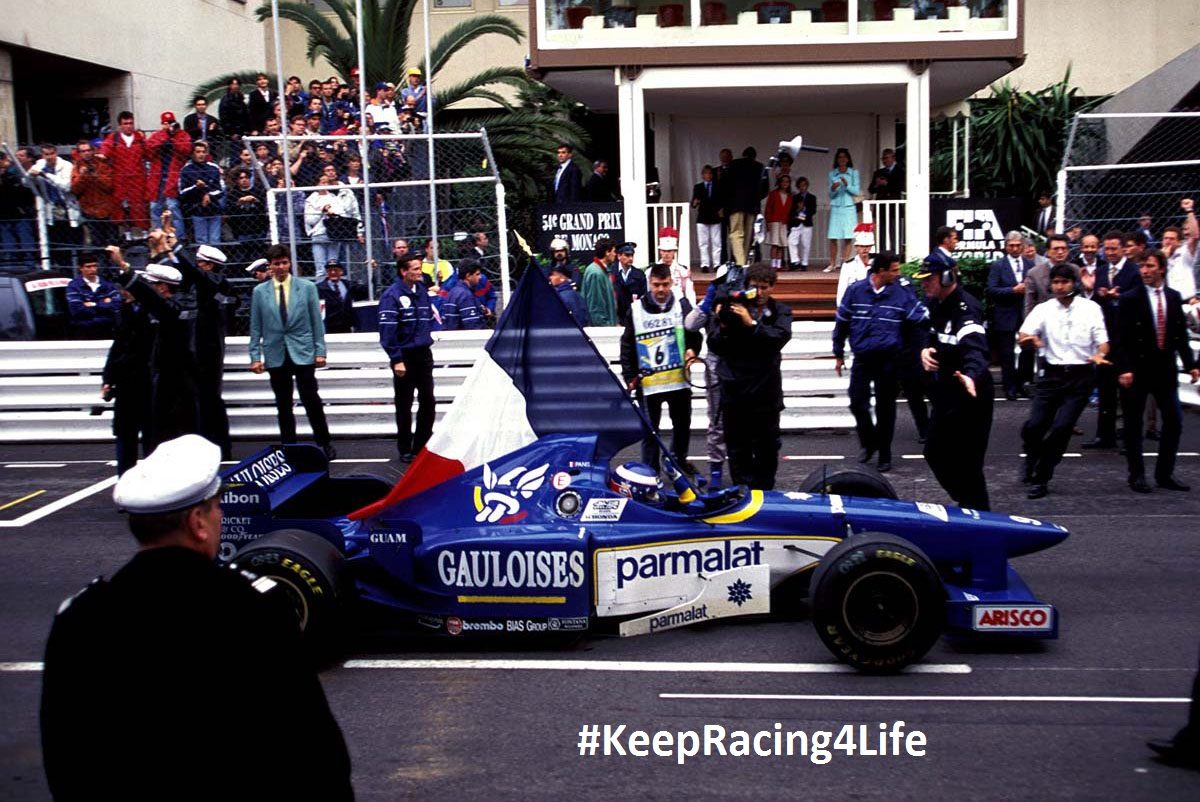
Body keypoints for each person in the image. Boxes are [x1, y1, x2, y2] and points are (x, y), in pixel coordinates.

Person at [40, 434, 353, 801]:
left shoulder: (81, 617)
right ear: (197, 522)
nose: (221, 517)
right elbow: (311, 749)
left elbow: (64, 757)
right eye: (216, 508)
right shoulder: (253, 609)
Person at [1017, 263, 1111, 499]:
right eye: (1056, 282)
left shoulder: (1091, 309)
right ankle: (1031, 455)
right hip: (1051, 375)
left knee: (1061, 429)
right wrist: (1031, 340)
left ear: (1074, 284)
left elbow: (1103, 341)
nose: (1059, 287)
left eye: (1064, 282)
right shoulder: (1043, 309)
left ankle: (1042, 477)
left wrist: (1100, 354)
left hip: (1079, 377)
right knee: (1035, 425)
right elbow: (1023, 335)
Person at [833, 251, 929, 473]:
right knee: (857, 402)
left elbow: (920, 318)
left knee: (886, 408)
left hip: (889, 359)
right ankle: (869, 442)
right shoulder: (855, 291)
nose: (899, 273)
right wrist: (838, 352)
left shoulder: (902, 293)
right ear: (880, 271)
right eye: (894, 269)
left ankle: (884, 453)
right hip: (863, 358)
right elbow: (842, 321)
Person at [1115, 250, 1199, 493]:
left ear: (1161, 268)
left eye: (1150, 266)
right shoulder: (1131, 298)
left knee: (1174, 420)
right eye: (1142, 266)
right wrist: (1124, 368)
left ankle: (1165, 473)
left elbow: (1179, 335)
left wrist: (1191, 364)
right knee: (1133, 423)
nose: (1145, 271)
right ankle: (1137, 474)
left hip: (1164, 370)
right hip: (1137, 369)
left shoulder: (1173, 297)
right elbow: (1120, 337)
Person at [706, 262, 793, 490]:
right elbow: (714, 344)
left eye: (765, 287)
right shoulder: (733, 308)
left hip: (765, 395)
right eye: (755, 287)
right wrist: (724, 324)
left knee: (767, 450)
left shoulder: (780, 311)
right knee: (737, 450)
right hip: (735, 395)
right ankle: (742, 495)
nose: (761, 292)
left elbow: (778, 339)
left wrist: (752, 324)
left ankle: (765, 496)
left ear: (772, 287)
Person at [915, 258, 993, 511]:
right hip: (946, 392)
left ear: (947, 277)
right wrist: (925, 349)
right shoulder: (934, 302)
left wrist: (971, 374)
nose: (925, 284)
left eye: (930, 279)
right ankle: (966, 502)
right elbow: (929, 332)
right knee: (934, 452)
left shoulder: (966, 308)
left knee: (969, 464)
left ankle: (980, 515)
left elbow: (975, 347)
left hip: (971, 394)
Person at [110, 238, 202, 450]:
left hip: (176, 384)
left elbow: (151, 298)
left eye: (152, 284)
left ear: (163, 288)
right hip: (165, 380)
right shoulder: (172, 305)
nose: (149, 288)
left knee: (172, 436)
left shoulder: (174, 309)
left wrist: (123, 265)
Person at [249, 244, 336, 459]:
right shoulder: (259, 292)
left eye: (285, 262)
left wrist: (320, 350)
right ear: (269, 266)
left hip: (303, 349)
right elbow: (255, 325)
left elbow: (317, 321)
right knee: (283, 403)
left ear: (290, 263)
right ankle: (289, 446)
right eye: (277, 264)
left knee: (310, 398)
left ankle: (324, 442)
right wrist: (254, 356)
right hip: (276, 351)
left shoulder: (307, 287)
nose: (281, 267)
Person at [621, 263, 701, 474]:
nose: (661, 290)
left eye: (665, 285)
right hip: (648, 384)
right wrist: (629, 376)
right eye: (656, 285)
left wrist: (692, 350)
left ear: (672, 283)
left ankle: (678, 463)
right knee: (650, 432)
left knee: (682, 427)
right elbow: (627, 344)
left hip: (678, 381)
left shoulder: (682, 305)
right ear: (650, 284)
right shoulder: (637, 309)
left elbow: (695, 335)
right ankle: (650, 470)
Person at [175, 242, 236, 459]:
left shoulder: (216, 282)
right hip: (199, 348)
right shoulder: (206, 284)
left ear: (210, 266)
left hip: (208, 349)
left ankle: (218, 446)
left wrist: (174, 245)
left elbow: (192, 272)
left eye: (201, 263)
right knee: (199, 399)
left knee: (209, 399)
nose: (198, 267)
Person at [380, 250, 435, 462]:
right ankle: (405, 448)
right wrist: (396, 359)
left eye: (420, 268)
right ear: (403, 272)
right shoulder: (391, 295)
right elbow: (387, 331)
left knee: (428, 401)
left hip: (423, 353)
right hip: (404, 356)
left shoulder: (421, 290)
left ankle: (422, 446)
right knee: (404, 404)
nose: (420, 272)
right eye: (415, 269)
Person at [101, 285, 153, 475]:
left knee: (152, 438)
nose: (124, 293)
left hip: (149, 382)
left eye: (128, 289)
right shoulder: (123, 311)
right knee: (124, 436)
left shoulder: (154, 311)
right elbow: (117, 348)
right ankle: (125, 480)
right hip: (126, 384)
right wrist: (108, 379)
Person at [986, 230, 1036, 400]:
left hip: (1025, 313)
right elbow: (991, 289)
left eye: (1018, 245)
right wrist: (1012, 290)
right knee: (1006, 353)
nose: (1014, 249)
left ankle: (1023, 384)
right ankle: (1009, 387)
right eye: (1011, 245)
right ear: (1005, 246)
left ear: (1023, 246)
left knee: (1027, 350)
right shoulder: (998, 266)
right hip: (1005, 313)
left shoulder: (1030, 265)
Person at [99, 111, 149, 233]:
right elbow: (105, 151)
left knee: (139, 208)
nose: (128, 126)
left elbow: (149, 154)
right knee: (122, 209)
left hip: (138, 180)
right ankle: (127, 237)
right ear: (120, 125)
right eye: (125, 123)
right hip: (120, 180)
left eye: (131, 123)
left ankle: (144, 236)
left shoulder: (139, 138)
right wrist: (102, 155)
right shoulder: (114, 138)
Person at [145, 111, 193, 227]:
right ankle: (159, 235)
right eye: (166, 123)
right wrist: (163, 140)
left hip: (174, 178)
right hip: (158, 178)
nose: (169, 125)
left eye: (171, 122)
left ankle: (179, 237)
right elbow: (147, 151)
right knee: (155, 207)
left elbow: (187, 150)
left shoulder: (182, 135)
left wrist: (173, 140)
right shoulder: (158, 135)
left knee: (173, 207)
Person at [69, 139, 116, 250]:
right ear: (79, 153)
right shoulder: (77, 167)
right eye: (83, 151)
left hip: (106, 209)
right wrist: (82, 176)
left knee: (112, 243)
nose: (86, 153)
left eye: (88, 150)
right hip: (89, 210)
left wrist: (96, 176)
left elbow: (109, 186)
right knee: (97, 244)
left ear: (93, 151)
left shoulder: (102, 164)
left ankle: (113, 266)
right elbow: (75, 189)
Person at [177, 141, 224, 245]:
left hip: (214, 209)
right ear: (193, 153)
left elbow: (221, 190)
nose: (201, 154)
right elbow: (182, 192)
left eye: (203, 152)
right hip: (197, 210)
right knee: (201, 242)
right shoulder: (186, 170)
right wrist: (196, 187)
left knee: (215, 241)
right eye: (198, 152)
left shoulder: (214, 168)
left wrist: (208, 194)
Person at [66, 251, 121, 339]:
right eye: (88, 266)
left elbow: (116, 305)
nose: (93, 269)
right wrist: (104, 304)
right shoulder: (74, 286)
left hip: (107, 328)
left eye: (95, 266)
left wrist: (93, 304)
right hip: (83, 329)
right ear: (81, 268)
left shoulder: (107, 284)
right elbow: (77, 310)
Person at [725, 146, 765, 266]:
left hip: (735, 205)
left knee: (736, 233)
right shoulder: (760, 167)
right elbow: (764, 188)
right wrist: (756, 198)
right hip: (752, 206)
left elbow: (726, 185)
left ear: (743, 154)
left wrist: (727, 203)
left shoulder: (733, 165)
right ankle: (745, 260)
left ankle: (740, 262)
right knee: (748, 235)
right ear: (754, 156)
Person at [824, 148, 860, 272]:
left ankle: (845, 262)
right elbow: (831, 195)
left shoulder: (854, 173)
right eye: (840, 157)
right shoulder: (832, 174)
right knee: (833, 236)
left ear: (848, 159)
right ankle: (832, 263)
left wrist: (847, 185)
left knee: (848, 236)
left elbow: (856, 191)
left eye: (844, 157)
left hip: (849, 207)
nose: (842, 159)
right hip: (836, 206)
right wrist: (833, 188)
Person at [834, 223, 875, 307]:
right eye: (861, 246)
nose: (864, 249)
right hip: (855, 306)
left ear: (871, 247)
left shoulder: (877, 263)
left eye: (867, 246)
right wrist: (841, 308)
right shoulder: (848, 266)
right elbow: (842, 290)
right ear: (856, 247)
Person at [441, 261, 490, 330]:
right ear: (468, 276)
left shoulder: (453, 291)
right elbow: (472, 325)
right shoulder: (465, 295)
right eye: (477, 274)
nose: (480, 277)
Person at [692, 165, 723, 273]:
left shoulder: (718, 186)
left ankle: (716, 264)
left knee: (716, 242)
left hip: (715, 217)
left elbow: (722, 201)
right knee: (703, 243)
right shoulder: (698, 187)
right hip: (702, 217)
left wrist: (721, 210)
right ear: (702, 175)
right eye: (706, 173)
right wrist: (695, 202)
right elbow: (694, 203)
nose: (708, 175)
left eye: (710, 173)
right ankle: (704, 264)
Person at [316, 261, 361, 334]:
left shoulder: (349, 285)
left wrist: (371, 270)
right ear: (327, 272)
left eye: (336, 270)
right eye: (330, 270)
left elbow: (367, 289)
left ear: (341, 272)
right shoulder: (319, 288)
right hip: (329, 327)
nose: (333, 272)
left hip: (347, 326)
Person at [582, 238, 618, 326]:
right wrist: (605, 327)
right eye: (614, 251)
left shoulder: (601, 271)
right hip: (601, 331)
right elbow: (596, 306)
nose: (615, 254)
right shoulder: (596, 273)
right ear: (607, 252)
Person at [610, 241, 646, 326]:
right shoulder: (611, 272)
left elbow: (643, 296)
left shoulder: (639, 275)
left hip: (633, 318)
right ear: (619, 256)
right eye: (627, 255)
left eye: (632, 255)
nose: (630, 258)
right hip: (616, 318)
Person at [658, 228, 695, 305]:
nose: (666, 254)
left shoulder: (683, 270)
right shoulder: (652, 270)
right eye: (664, 251)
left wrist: (691, 309)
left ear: (674, 252)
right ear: (660, 251)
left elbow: (689, 291)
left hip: (678, 305)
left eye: (669, 251)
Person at [787, 176, 817, 272]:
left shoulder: (812, 197)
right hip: (796, 222)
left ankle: (804, 263)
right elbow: (791, 211)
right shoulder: (795, 197)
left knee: (806, 244)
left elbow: (813, 211)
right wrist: (798, 210)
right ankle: (795, 260)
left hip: (807, 222)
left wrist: (804, 210)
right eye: (800, 186)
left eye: (804, 185)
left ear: (807, 186)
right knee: (791, 241)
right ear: (798, 187)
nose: (802, 187)